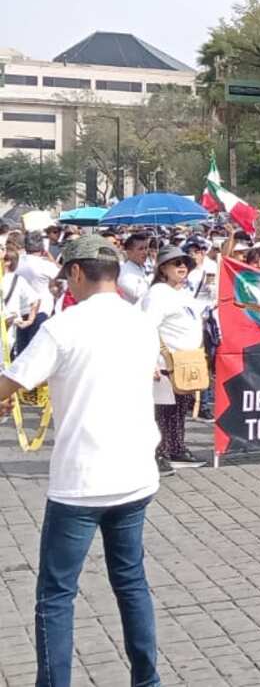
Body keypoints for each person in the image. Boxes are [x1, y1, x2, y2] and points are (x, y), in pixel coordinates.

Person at [0, 235, 164, 687]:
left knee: (55, 595)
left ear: (75, 272)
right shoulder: (140, 322)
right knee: (131, 582)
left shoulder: (64, 327)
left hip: (81, 482)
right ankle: (147, 680)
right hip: (134, 476)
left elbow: (11, 383)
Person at [142, 246, 205, 469]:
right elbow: (147, 328)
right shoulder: (157, 294)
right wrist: (150, 362)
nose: (182, 267)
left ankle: (176, 447)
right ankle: (156, 453)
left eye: (184, 263)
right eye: (176, 263)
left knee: (178, 410)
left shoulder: (183, 293)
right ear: (163, 268)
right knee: (163, 410)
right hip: (165, 362)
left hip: (186, 362)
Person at [116, 232, 153, 304]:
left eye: (146, 248)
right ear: (129, 252)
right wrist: (153, 275)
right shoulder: (123, 272)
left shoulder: (143, 268)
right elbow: (139, 293)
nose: (145, 252)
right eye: (141, 249)